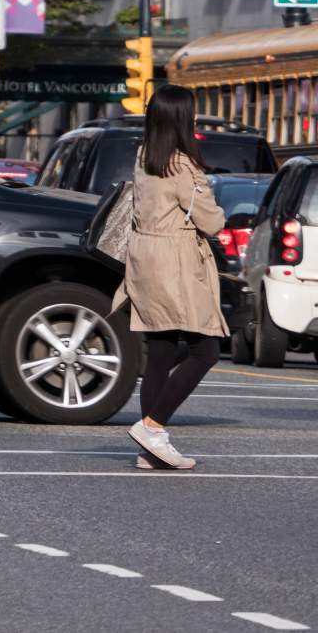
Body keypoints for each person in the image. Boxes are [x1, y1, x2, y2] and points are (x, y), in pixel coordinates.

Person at [117, 84, 227, 470]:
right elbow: (211, 221)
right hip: (175, 261)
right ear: (182, 118)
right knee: (206, 350)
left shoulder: (144, 156)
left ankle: (152, 450)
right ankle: (153, 427)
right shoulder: (182, 165)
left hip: (143, 257)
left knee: (161, 352)